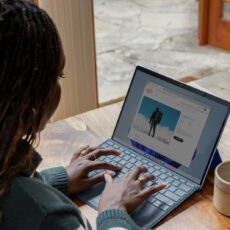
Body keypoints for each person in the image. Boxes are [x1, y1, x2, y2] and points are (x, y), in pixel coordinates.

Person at [0, 1, 166, 229]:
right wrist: (113, 211)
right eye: (59, 75)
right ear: (29, 100)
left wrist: (56, 181)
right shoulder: (51, 218)